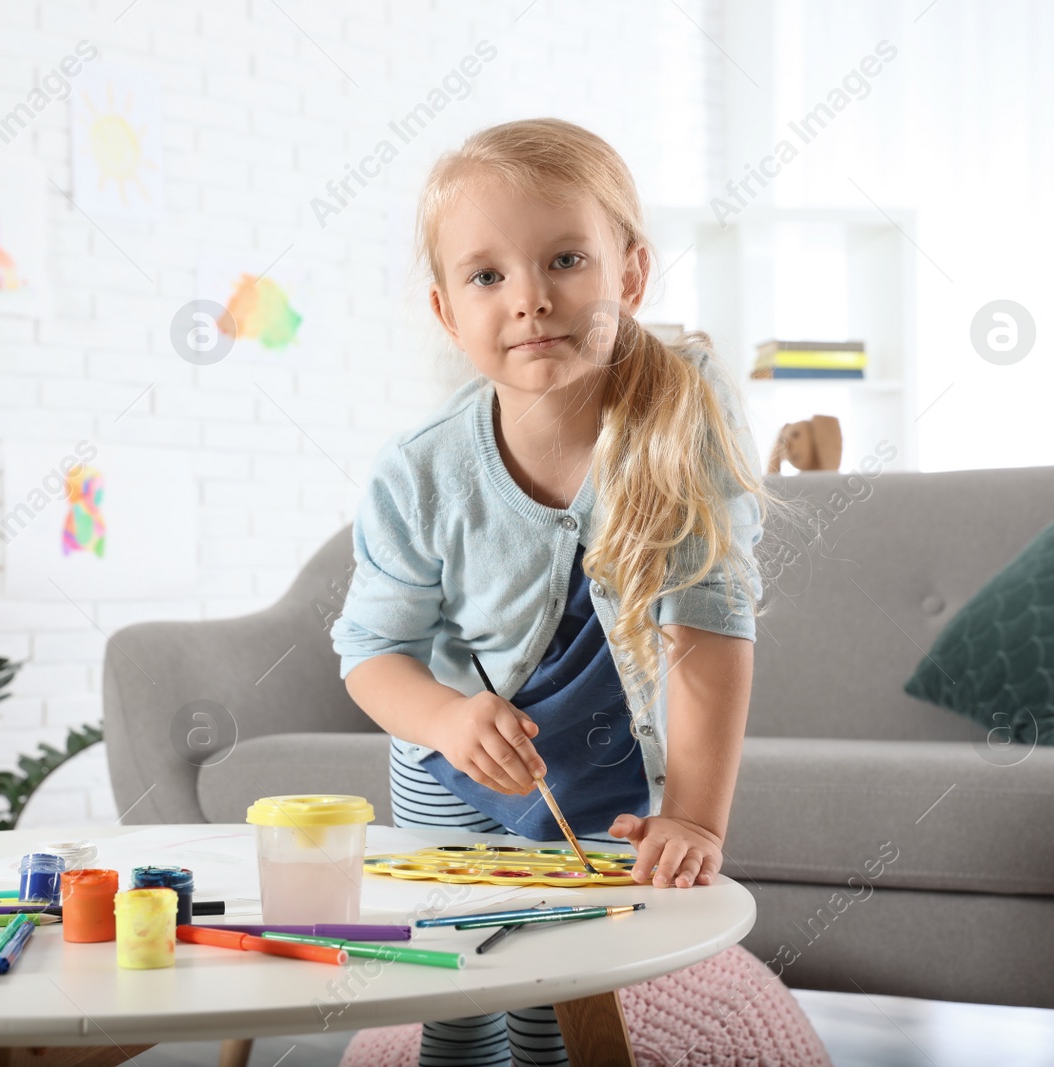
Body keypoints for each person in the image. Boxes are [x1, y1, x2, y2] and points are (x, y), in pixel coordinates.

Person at [330, 117, 791, 1067]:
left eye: (566, 259)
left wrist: (697, 816)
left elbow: (710, 625)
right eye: (487, 275)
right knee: (455, 992)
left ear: (629, 273)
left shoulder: (685, 414)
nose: (531, 300)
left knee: (561, 990)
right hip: (452, 779)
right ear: (446, 312)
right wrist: (450, 722)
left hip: (602, 774)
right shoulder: (417, 473)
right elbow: (371, 655)